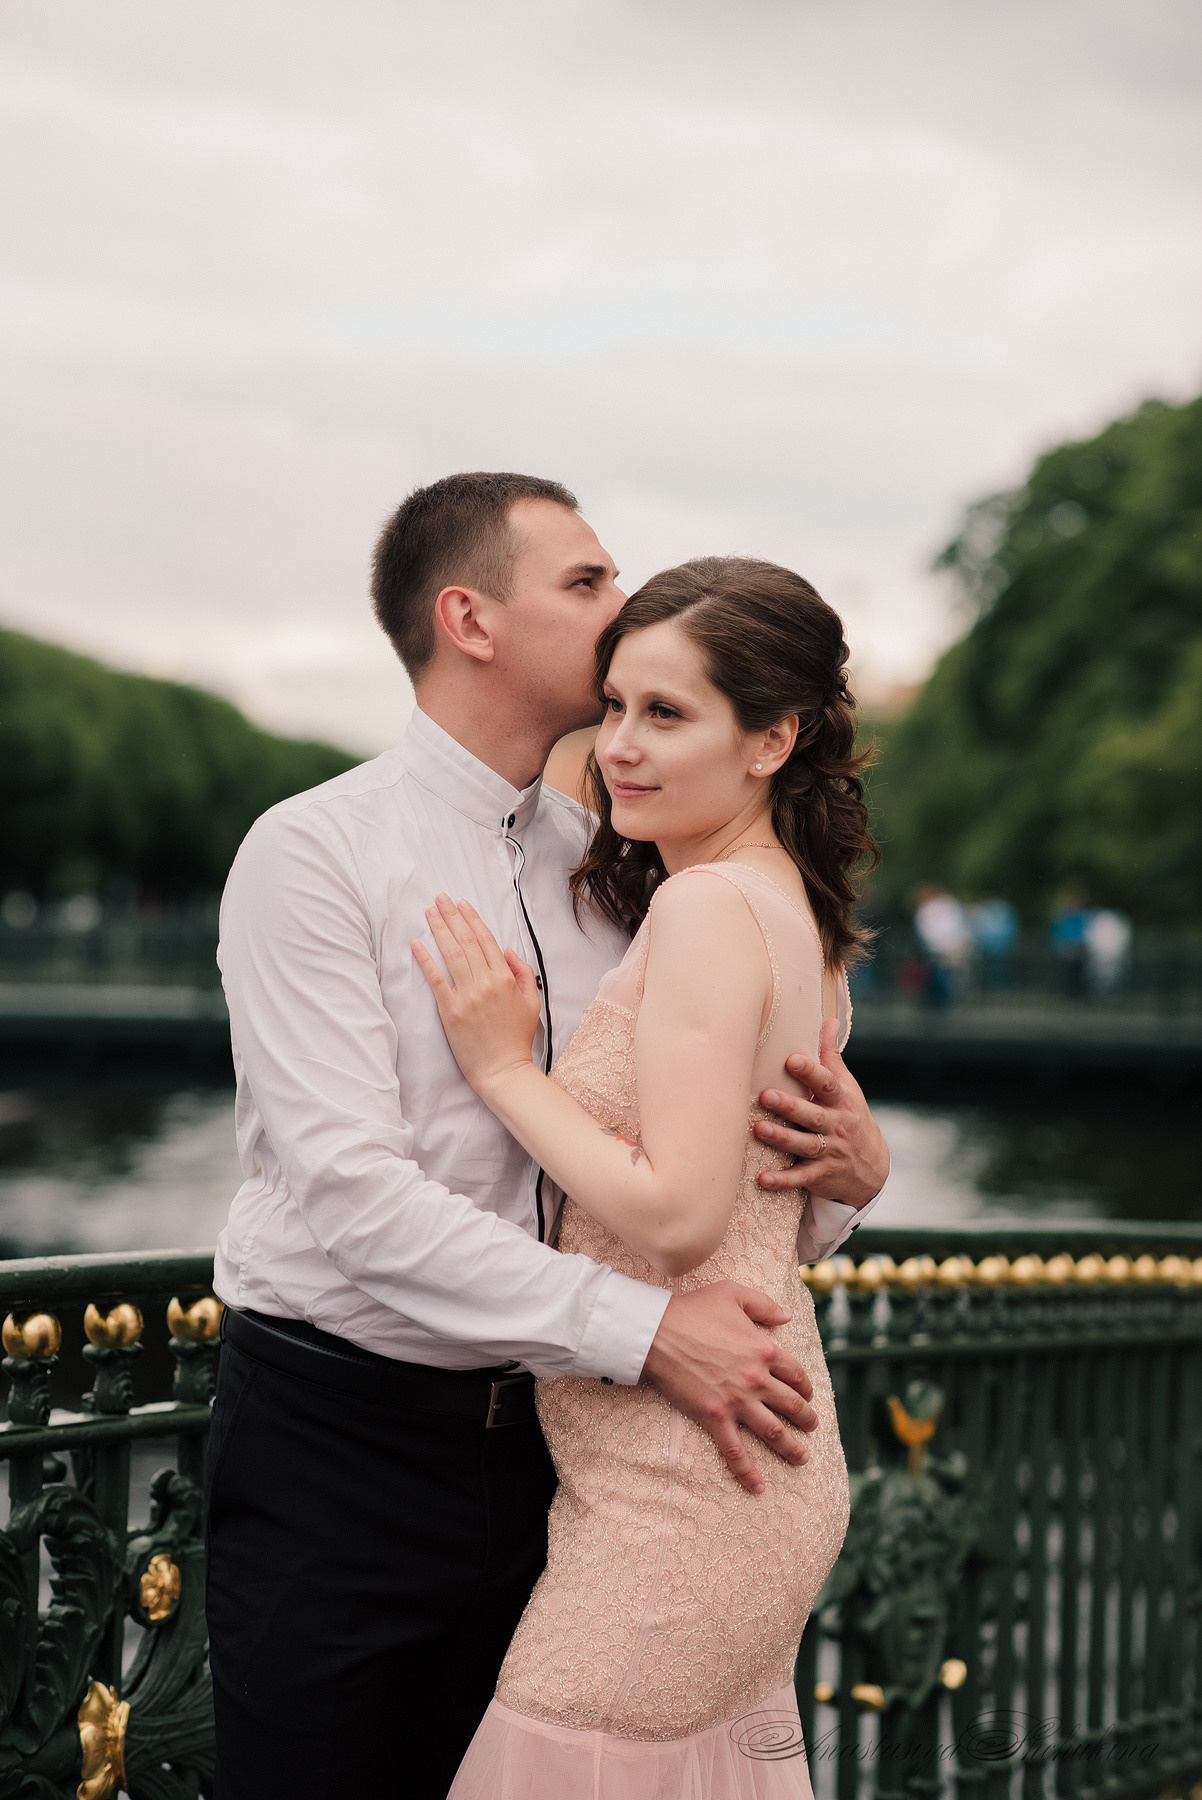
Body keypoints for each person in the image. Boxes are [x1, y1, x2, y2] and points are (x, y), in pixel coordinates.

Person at [206, 475, 890, 1800]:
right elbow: (353, 1196)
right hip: (348, 1449)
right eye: (584, 582)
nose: (618, 601)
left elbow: (706, 1146)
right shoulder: (313, 855)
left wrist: (850, 1183)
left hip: (574, 1457)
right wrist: (639, 1332)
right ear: (469, 618)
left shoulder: (625, 864)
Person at [414, 556, 873, 1797]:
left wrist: (505, 1072)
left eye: (666, 714)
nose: (618, 744)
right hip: (723, 1466)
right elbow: (792, 1214)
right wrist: (860, 1170)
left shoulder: (709, 911)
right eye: (613, 706)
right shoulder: (789, 910)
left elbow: (680, 1218)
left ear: (772, 737)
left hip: (686, 1492)